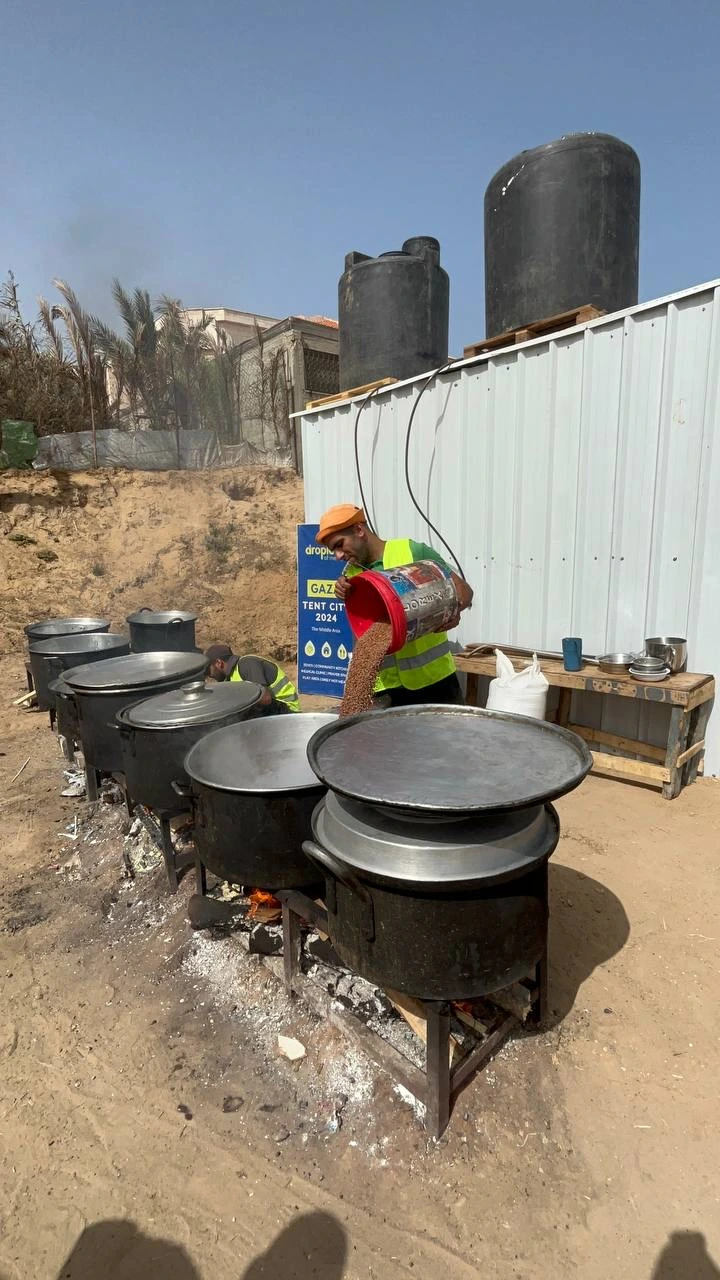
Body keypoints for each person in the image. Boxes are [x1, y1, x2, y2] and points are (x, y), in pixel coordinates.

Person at [315, 503, 473, 707]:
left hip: (435, 683)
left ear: (359, 530)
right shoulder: (351, 577)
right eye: (332, 550)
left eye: (339, 544)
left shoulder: (411, 551)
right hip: (385, 691)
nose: (337, 556)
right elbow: (363, 632)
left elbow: (464, 593)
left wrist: (452, 611)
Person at [204, 645, 300, 713]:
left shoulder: (247, 664)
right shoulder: (231, 677)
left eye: (208, 670)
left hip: (288, 710)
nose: (209, 675)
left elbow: (265, 699)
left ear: (219, 663)